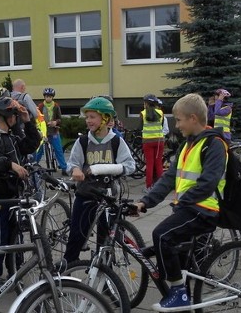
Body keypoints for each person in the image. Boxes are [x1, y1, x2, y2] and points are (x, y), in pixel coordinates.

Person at [135, 93, 228, 313]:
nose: (176, 126)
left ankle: (177, 294)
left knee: (161, 235)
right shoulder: (189, 144)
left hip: (205, 209)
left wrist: (182, 202)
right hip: (190, 207)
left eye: (178, 121)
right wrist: (146, 202)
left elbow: (208, 183)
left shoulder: (214, 144)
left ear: (193, 118)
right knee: (179, 259)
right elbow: (168, 178)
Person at [61, 96, 136, 268]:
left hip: (108, 195)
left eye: (92, 117)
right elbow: (72, 163)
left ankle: (104, 275)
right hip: (86, 193)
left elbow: (130, 166)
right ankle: (66, 270)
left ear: (105, 118)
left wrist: (110, 169)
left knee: (106, 238)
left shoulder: (117, 141)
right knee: (77, 234)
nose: (88, 120)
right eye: (86, 117)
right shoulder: (83, 141)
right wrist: (75, 170)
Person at [0, 96, 41, 291]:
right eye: (15, 115)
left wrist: (28, 121)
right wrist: (9, 164)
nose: (17, 119)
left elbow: (31, 144)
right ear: (8, 117)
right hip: (0, 196)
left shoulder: (12, 137)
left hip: (14, 194)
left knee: (15, 234)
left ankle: (15, 271)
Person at [35, 88, 68, 173]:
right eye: (46, 96)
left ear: (52, 97)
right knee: (39, 150)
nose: (48, 98)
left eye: (50, 96)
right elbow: (37, 118)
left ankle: (64, 168)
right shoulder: (40, 106)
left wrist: (55, 122)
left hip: (54, 131)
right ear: (44, 97)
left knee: (58, 149)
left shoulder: (56, 106)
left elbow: (60, 119)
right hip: (43, 132)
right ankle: (34, 165)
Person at [140, 94, 168, 188]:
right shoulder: (160, 113)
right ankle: (160, 186)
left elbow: (140, 127)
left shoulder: (143, 113)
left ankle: (149, 186)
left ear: (146, 103)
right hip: (159, 141)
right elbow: (162, 124)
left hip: (147, 141)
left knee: (149, 164)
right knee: (158, 163)